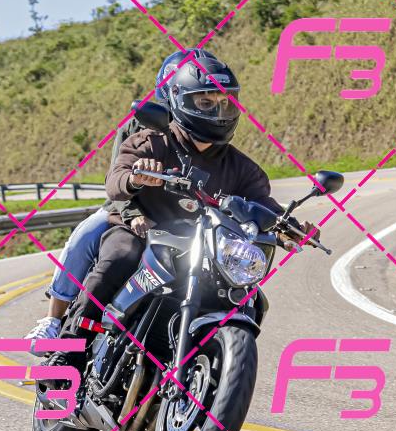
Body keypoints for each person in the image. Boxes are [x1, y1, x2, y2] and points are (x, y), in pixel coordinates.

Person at [54, 53, 319, 365]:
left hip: (200, 242)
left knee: (247, 294)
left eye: (225, 102)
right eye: (205, 102)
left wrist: (289, 228)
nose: (218, 111)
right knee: (118, 258)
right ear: (180, 101)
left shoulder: (242, 167)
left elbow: (262, 204)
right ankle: (67, 350)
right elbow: (116, 181)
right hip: (141, 231)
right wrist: (135, 178)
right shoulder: (151, 141)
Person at [23, 48, 218, 355]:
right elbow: (118, 177)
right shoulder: (136, 127)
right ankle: (53, 319)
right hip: (128, 209)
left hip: (180, 218)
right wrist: (132, 214)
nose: (204, 104)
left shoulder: (206, 130)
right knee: (84, 237)